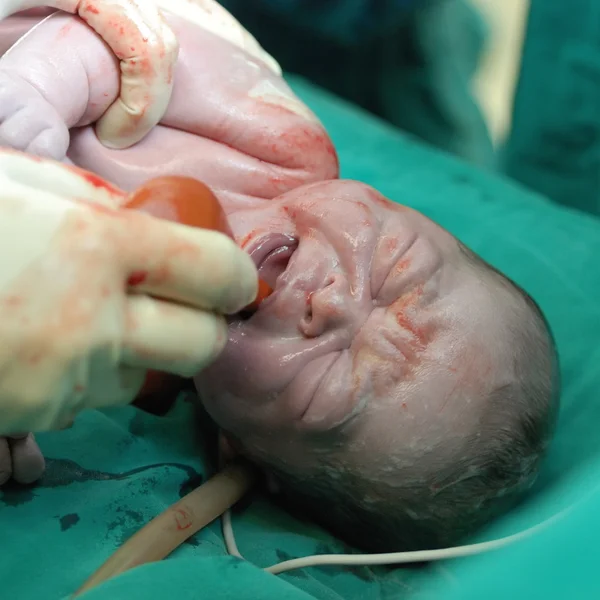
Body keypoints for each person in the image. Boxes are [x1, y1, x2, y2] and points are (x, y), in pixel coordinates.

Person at [0, 2, 558, 554]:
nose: (334, 306)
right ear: (399, 206)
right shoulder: (279, 148)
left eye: (323, 389)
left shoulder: (121, 355)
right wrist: (37, 90)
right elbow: (138, 40)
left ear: (236, 446)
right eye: (393, 268)